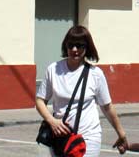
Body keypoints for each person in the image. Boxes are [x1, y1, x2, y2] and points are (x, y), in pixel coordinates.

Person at [36, 26, 129, 157]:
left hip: (88, 138)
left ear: (87, 47)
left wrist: (121, 133)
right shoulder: (53, 69)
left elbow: (107, 107)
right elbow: (40, 100)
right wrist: (52, 121)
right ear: (65, 46)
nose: (74, 50)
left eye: (79, 45)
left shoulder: (95, 74)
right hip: (60, 137)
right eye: (71, 45)